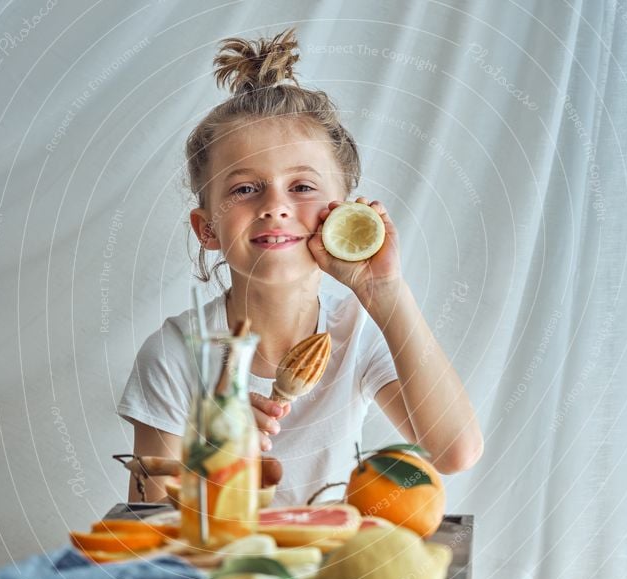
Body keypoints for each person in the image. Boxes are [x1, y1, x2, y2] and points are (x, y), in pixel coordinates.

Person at [118, 28, 482, 506]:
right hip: (215, 577)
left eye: (303, 187)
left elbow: (453, 452)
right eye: (244, 189)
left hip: (334, 570)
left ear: (344, 217)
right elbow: (145, 524)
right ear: (207, 229)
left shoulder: (357, 331)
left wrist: (387, 292)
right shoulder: (174, 354)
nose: (275, 205)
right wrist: (209, 460)